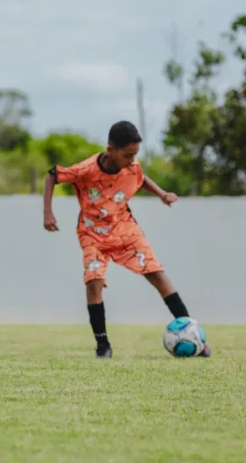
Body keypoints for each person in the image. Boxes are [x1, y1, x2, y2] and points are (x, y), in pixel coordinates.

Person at [43, 120, 211, 359]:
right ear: (110, 149)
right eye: (128, 154)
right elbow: (52, 176)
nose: (132, 160)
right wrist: (48, 213)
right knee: (94, 282)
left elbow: (141, 179)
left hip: (125, 230)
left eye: (135, 155)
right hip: (93, 235)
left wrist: (162, 194)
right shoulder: (86, 169)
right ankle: (103, 346)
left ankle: (194, 336)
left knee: (157, 275)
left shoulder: (132, 167)